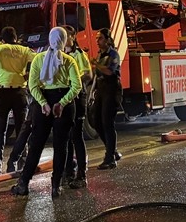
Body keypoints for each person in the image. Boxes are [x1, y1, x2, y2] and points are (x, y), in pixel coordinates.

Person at [11, 27, 81, 199]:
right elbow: (76, 86)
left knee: (36, 145)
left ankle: (23, 184)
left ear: (50, 40)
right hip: (63, 105)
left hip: (42, 105)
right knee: (61, 146)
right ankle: (56, 186)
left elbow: (32, 86)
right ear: (64, 40)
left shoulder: (38, 59)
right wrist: (62, 103)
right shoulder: (69, 61)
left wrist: (43, 103)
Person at [0, 26, 34, 175]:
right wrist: (28, 76)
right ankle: (20, 160)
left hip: (3, 91)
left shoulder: (0, 49)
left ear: (3, 40)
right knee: (21, 129)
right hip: (19, 92)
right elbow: (38, 62)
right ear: (16, 38)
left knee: (0, 129)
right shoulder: (24, 50)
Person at [62, 25, 94, 188]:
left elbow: (88, 74)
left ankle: (81, 174)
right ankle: (67, 172)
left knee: (76, 135)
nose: (63, 38)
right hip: (63, 98)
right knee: (65, 137)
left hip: (76, 97)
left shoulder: (78, 54)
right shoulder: (59, 54)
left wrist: (74, 81)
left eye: (66, 35)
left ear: (73, 37)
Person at [90, 28, 124, 169]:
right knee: (96, 121)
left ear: (108, 40)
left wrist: (96, 65)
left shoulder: (113, 54)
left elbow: (110, 71)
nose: (97, 41)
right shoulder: (100, 54)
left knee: (107, 123)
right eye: (97, 38)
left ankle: (109, 158)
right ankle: (112, 150)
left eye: (100, 38)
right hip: (101, 90)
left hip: (111, 90)